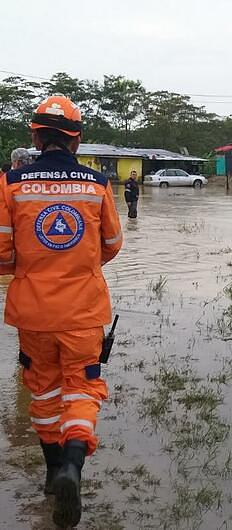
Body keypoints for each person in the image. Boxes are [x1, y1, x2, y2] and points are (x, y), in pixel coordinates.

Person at [0, 94, 123, 527]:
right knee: (82, 389)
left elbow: (1, 254)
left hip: (33, 313)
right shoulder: (98, 185)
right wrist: (78, 265)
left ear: (34, 136)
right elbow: (110, 246)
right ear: (76, 141)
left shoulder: (10, 183)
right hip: (83, 312)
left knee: (45, 391)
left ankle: (53, 473)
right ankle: (74, 464)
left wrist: (35, 268)